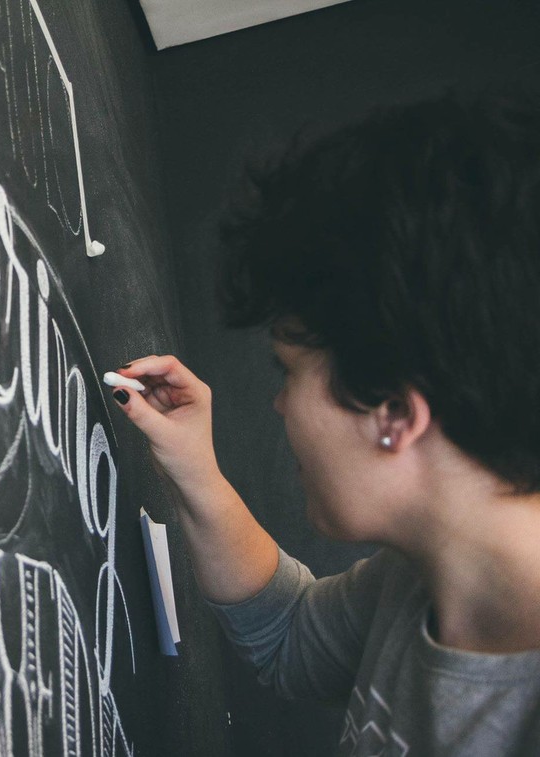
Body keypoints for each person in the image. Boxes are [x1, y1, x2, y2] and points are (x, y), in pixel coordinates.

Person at [111, 92, 540, 754]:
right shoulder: (417, 581)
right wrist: (194, 465)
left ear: (394, 414)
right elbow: (287, 635)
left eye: (289, 372)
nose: (280, 404)